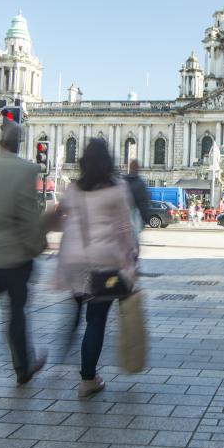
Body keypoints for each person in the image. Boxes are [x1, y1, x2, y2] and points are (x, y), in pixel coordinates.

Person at [54, 139, 137, 398]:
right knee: (96, 322)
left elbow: (58, 220)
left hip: (74, 262)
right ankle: (87, 379)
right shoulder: (117, 188)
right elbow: (126, 229)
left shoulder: (73, 189)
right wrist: (132, 257)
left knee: (78, 312)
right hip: (103, 264)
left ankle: (64, 348)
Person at [0, 122, 47, 412]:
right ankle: (23, 367)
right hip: (12, 259)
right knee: (16, 315)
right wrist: (37, 247)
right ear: (20, 143)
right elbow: (28, 217)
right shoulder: (27, 170)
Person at [124, 159, 150, 235]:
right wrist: (144, 221)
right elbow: (144, 204)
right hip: (135, 217)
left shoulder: (123, 181)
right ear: (137, 169)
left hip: (124, 218)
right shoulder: (141, 183)